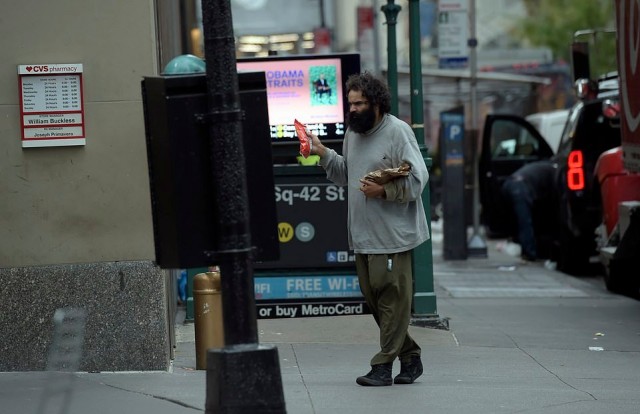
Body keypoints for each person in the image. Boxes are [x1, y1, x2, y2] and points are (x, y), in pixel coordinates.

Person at [308, 72, 430, 386]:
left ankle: (382, 367)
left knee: (391, 300)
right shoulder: (353, 134)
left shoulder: (398, 131)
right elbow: (345, 175)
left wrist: (385, 191)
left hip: (393, 236)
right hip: (361, 235)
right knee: (377, 302)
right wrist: (322, 152)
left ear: (376, 103)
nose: (353, 109)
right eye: (350, 104)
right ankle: (410, 356)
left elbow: (418, 179)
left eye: (360, 103)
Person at [501, 160, 558, 262]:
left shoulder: (542, 167)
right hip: (520, 187)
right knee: (525, 222)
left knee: (518, 220)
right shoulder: (555, 171)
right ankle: (529, 253)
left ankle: (521, 245)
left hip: (509, 183)